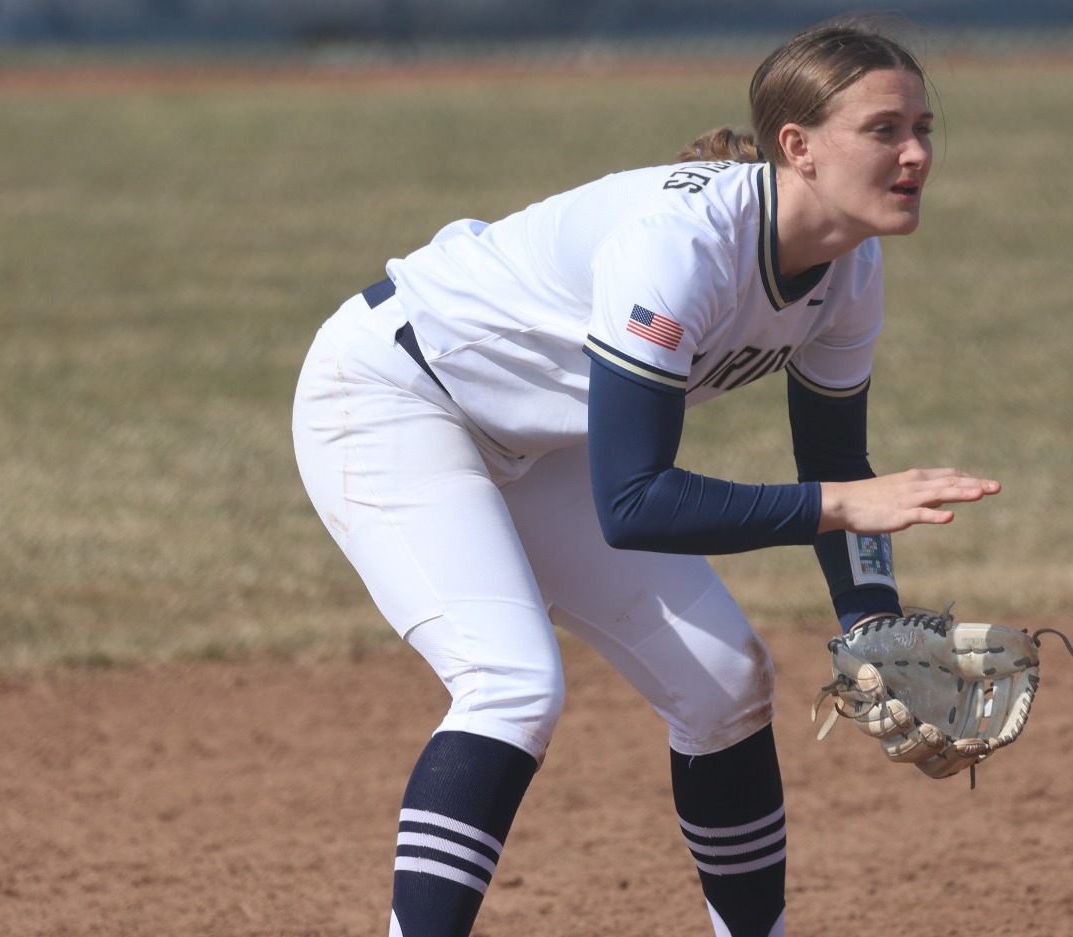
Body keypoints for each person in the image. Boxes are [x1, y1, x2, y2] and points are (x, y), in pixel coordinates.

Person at [291, 19, 998, 937]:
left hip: (542, 439)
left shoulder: (850, 268)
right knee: (512, 683)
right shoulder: (683, 244)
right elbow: (634, 504)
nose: (914, 154)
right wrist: (837, 507)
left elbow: (833, 464)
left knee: (723, 680)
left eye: (924, 129)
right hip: (395, 396)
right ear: (799, 147)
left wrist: (871, 627)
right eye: (883, 130)